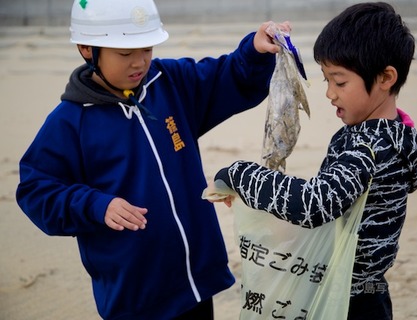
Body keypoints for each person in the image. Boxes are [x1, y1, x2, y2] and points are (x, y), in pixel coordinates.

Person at [15, 0, 290, 318]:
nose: (140, 62)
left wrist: (254, 52)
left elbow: (227, 78)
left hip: (196, 282)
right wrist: (96, 205)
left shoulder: (169, 82)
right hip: (137, 296)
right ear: (87, 49)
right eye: (125, 53)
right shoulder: (70, 121)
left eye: (146, 49)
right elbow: (36, 189)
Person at [210, 2, 417, 319]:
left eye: (339, 82)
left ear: (385, 78)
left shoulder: (366, 148)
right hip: (372, 289)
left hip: (348, 300)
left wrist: (239, 175)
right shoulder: (398, 138)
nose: (330, 94)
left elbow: (315, 205)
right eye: (327, 80)